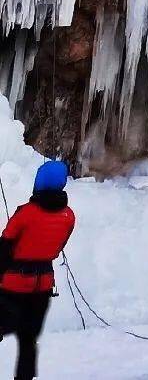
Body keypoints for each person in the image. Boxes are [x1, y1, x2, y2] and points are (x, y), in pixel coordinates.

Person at [0, 160, 75, 380]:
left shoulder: (25, 214)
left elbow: (4, 247)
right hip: (42, 286)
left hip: (13, 285)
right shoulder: (68, 216)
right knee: (28, 339)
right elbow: (58, 247)